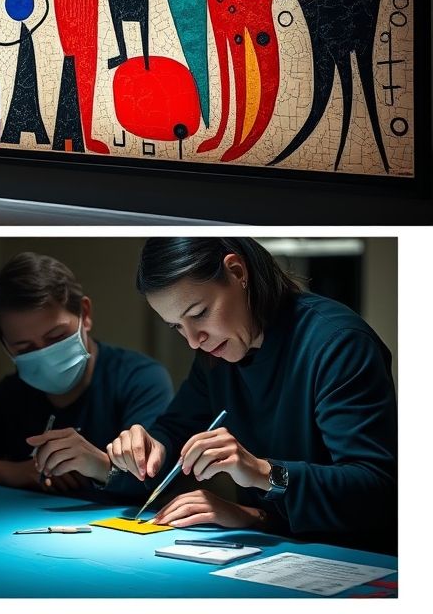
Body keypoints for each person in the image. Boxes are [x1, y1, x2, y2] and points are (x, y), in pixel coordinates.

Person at [106, 237, 397, 554]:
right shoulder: (215, 355)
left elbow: (376, 492)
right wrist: (150, 447)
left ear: (237, 272)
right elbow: (176, 429)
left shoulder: (339, 343)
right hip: (272, 548)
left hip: (361, 559)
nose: (193, 340)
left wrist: (264, 472)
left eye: (200, 312)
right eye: (176, 326)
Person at [0, 251, 173, 495]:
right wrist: (10, 471)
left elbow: (156, 477)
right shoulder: (12, 395)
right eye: (26, 348)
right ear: (5, 346)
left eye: (57, 337)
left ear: (85, 314)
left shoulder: (139, 380)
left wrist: (97, 464)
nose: (44, 354)